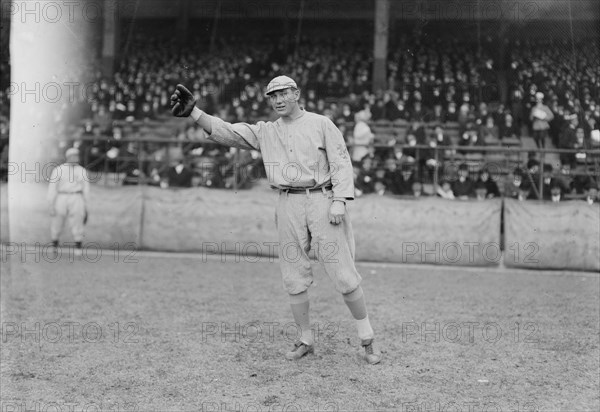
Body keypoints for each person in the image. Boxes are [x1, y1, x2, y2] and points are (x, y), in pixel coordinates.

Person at [170, 76, 381, 364]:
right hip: (287, 202)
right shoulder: (267, 131)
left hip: (321, 198)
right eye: (273, 96)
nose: (278, 100)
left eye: (283, 94)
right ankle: (305, 339)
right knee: (293, 275)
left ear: (297, 93)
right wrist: (196, 113)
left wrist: (340, 201)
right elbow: (230, 132)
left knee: (343, 272)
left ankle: (367, 339)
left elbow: (341, 162)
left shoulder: (321, 123)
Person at [47, 148, 90, 249]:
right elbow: (52, 188)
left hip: (76, 196)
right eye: (73, 156)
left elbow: (86, 190)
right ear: (68, 157)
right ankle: (54, 245)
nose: (75, 158)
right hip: (61, 196)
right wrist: (51, 204)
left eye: (76, 155)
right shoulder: (59, 170)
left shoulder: (82, 170)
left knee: (77, 221)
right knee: (57, 221)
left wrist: (86, 205)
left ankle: (78, 248)